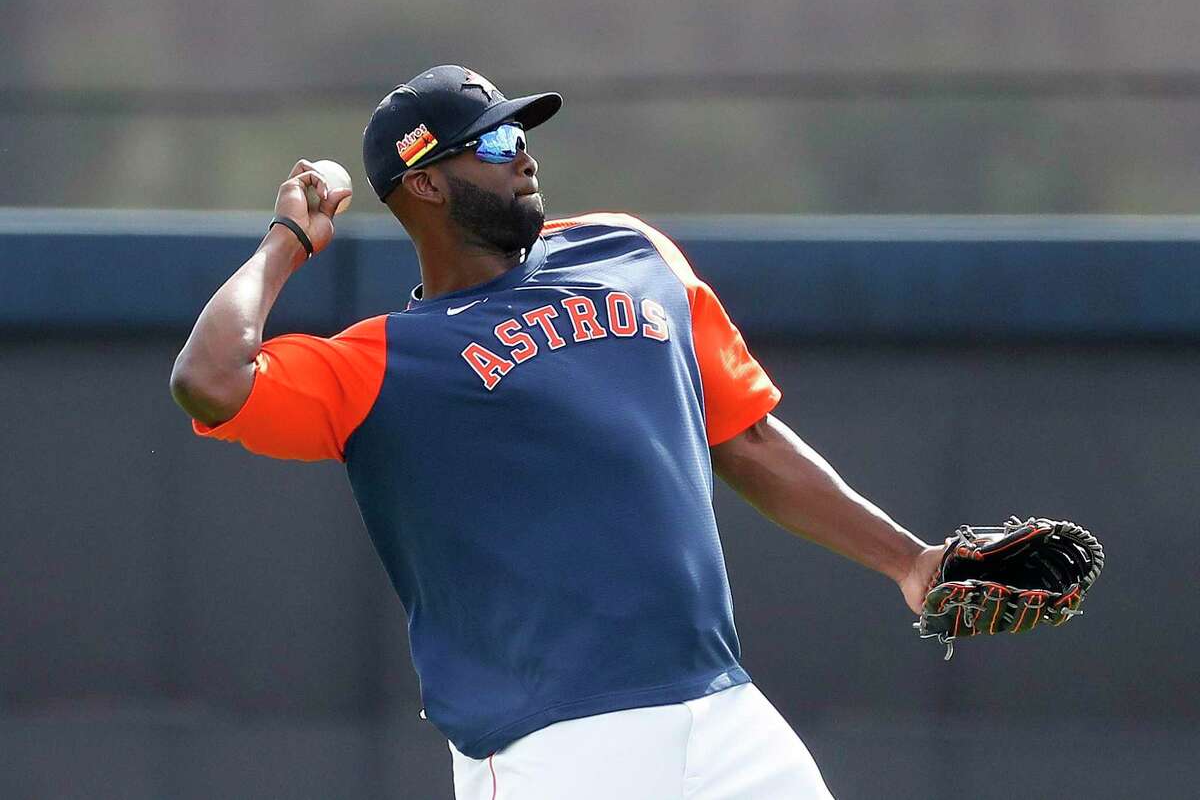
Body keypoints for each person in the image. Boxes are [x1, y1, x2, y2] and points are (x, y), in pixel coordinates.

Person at [170, 65, 944, 799]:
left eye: (523, 135)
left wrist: (911, 562)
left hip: (721, 708)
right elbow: (208, 381)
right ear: (426, 181)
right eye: (497, 143)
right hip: (551, 739)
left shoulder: (632, 253)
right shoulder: (383, 362)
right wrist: (285, 240)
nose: (525, 158)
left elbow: (749, 438)